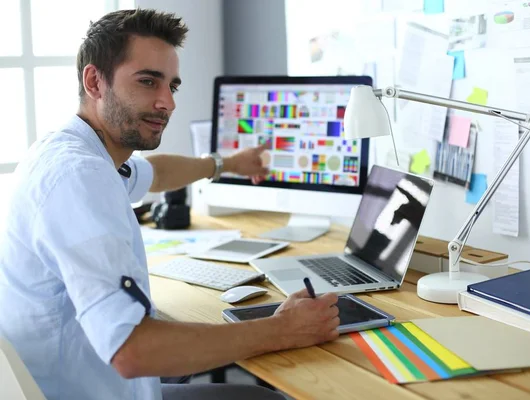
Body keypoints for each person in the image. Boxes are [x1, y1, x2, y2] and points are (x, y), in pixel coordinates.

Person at [0, 9, 340, 400]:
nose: (167, 103)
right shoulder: (79, 177)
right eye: (148, 82)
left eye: (172, 86)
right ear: (95, 81)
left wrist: (225, 164)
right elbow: (131, 350)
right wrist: (283, 329)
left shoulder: (76, 150)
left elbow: (154, 174)